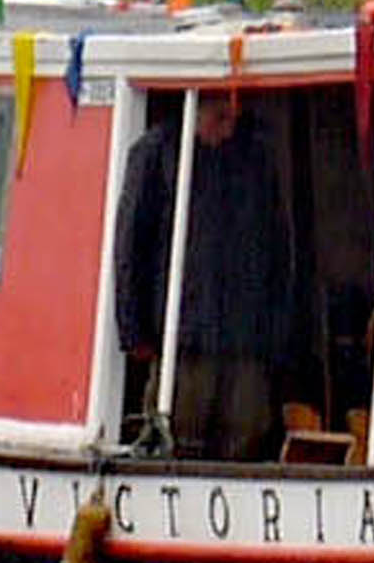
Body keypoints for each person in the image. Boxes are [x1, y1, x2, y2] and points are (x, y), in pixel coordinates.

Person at [112, 88, 295, 461]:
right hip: (183, 333)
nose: (228, 131)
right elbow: (131, 246)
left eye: (233, 119)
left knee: (248, 427)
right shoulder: (155, 153)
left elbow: (277, 246)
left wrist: (277, 330)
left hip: (244, 334)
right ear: (194, 112)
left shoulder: (255, 159)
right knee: (179, 429)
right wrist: (134, 331)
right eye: (219, 119)